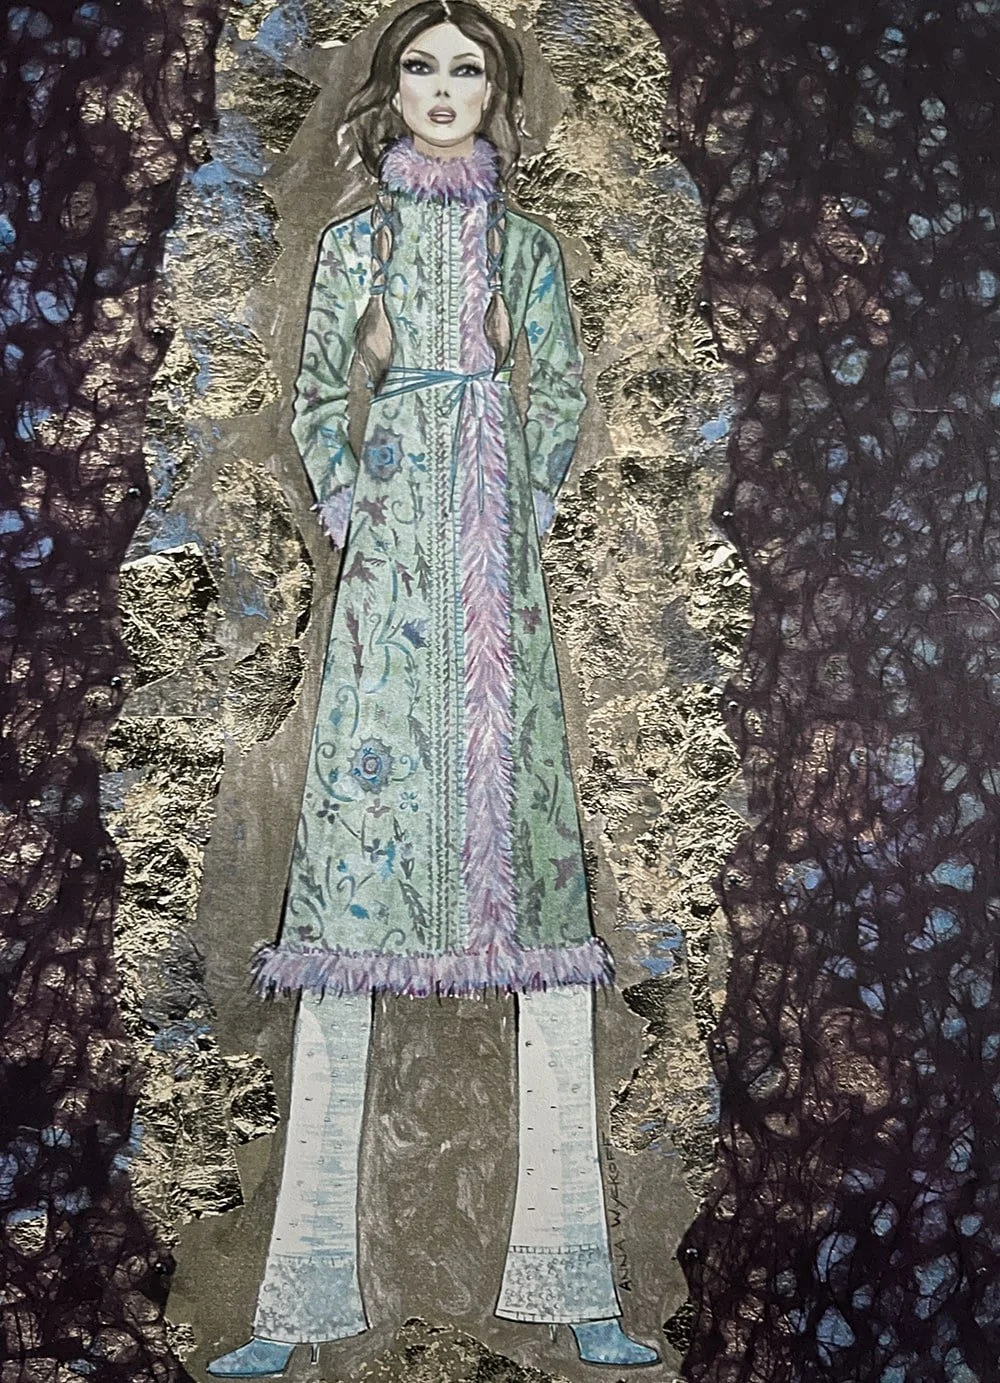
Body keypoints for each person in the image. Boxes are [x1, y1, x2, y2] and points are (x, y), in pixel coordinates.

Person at [206, 2, 660, 1374]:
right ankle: (295, 1307)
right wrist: (364, 512)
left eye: (468, 69)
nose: (445, 89)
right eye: (422, 68)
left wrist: (512, 508)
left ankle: (579, 1289)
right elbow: (314, 405)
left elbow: (559, 395)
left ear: (495, 92)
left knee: (548, 934)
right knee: (347, 926)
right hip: (390, 596)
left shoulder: (527, 251)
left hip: (498, 598)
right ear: (392, 89)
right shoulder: (354, 245)